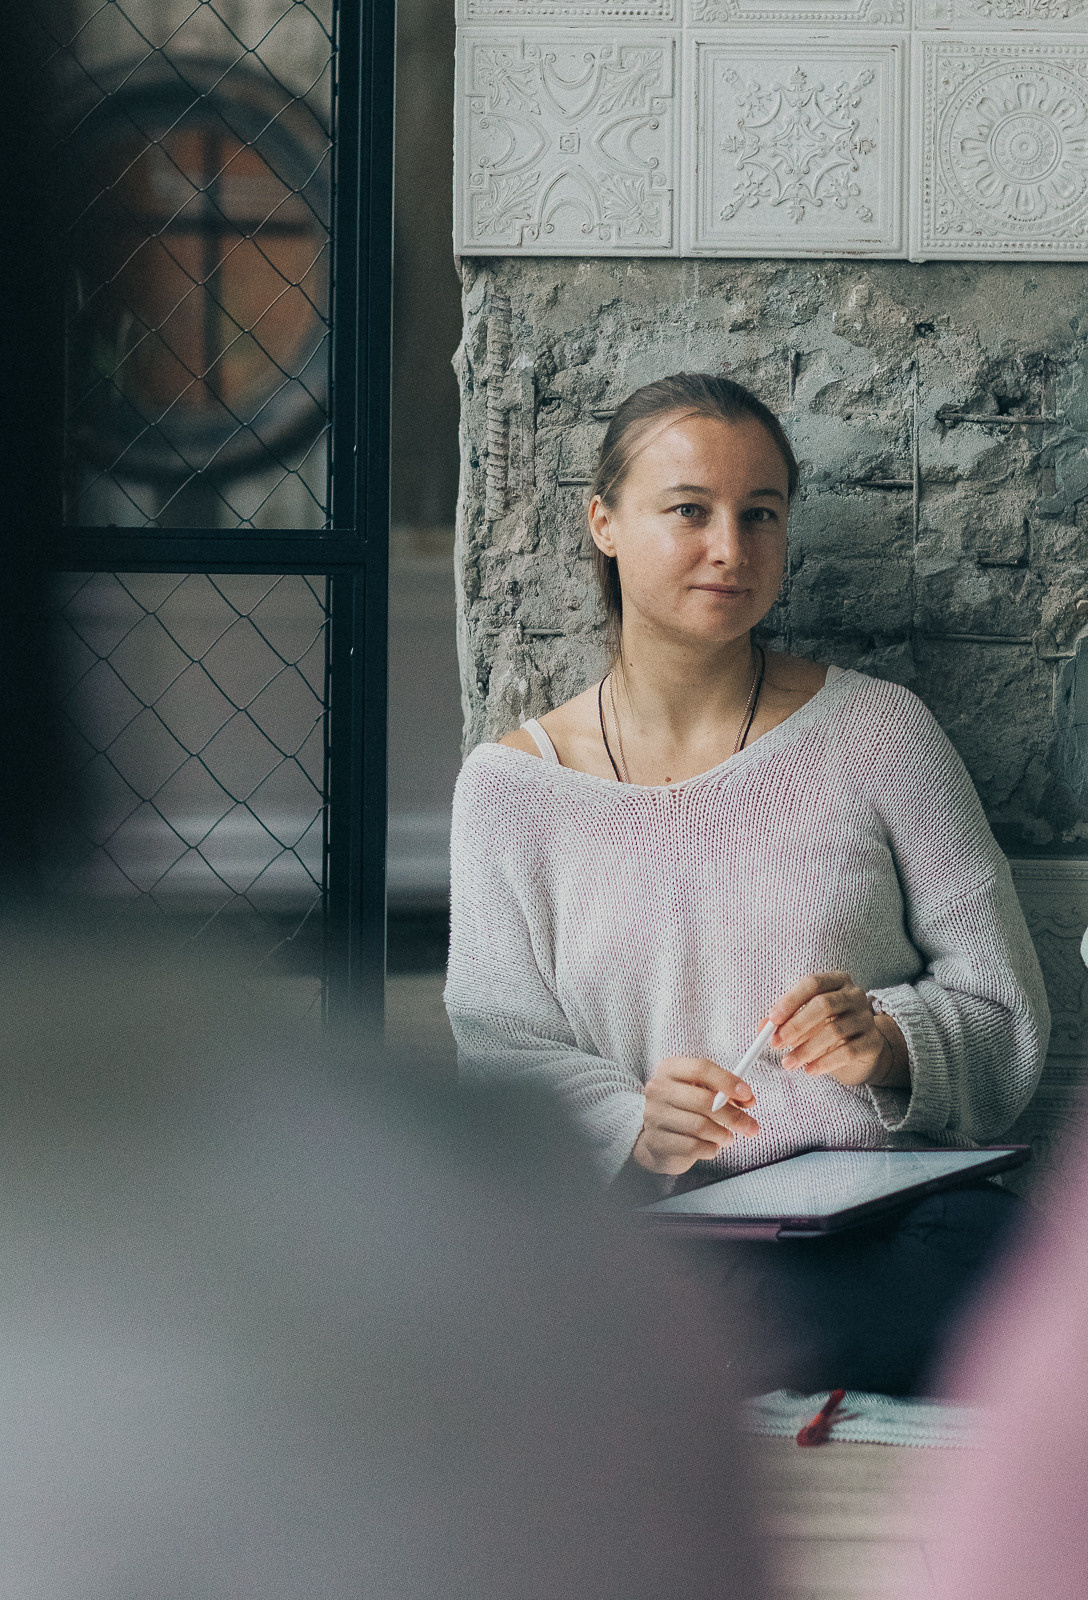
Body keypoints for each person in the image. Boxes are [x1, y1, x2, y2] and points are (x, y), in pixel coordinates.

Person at [444, 372, 1050, 1393]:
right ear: (603, 521)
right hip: (656, 1236)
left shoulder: (878, 734)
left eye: (758, 515)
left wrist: (890, 1040)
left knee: (996, 1269)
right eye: (688, 511)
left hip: (888, 1217)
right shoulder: (508, 793)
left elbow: (1003, 1011)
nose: (729, 548)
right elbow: (502, 1060)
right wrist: (636, 1121)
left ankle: (688, 1376)